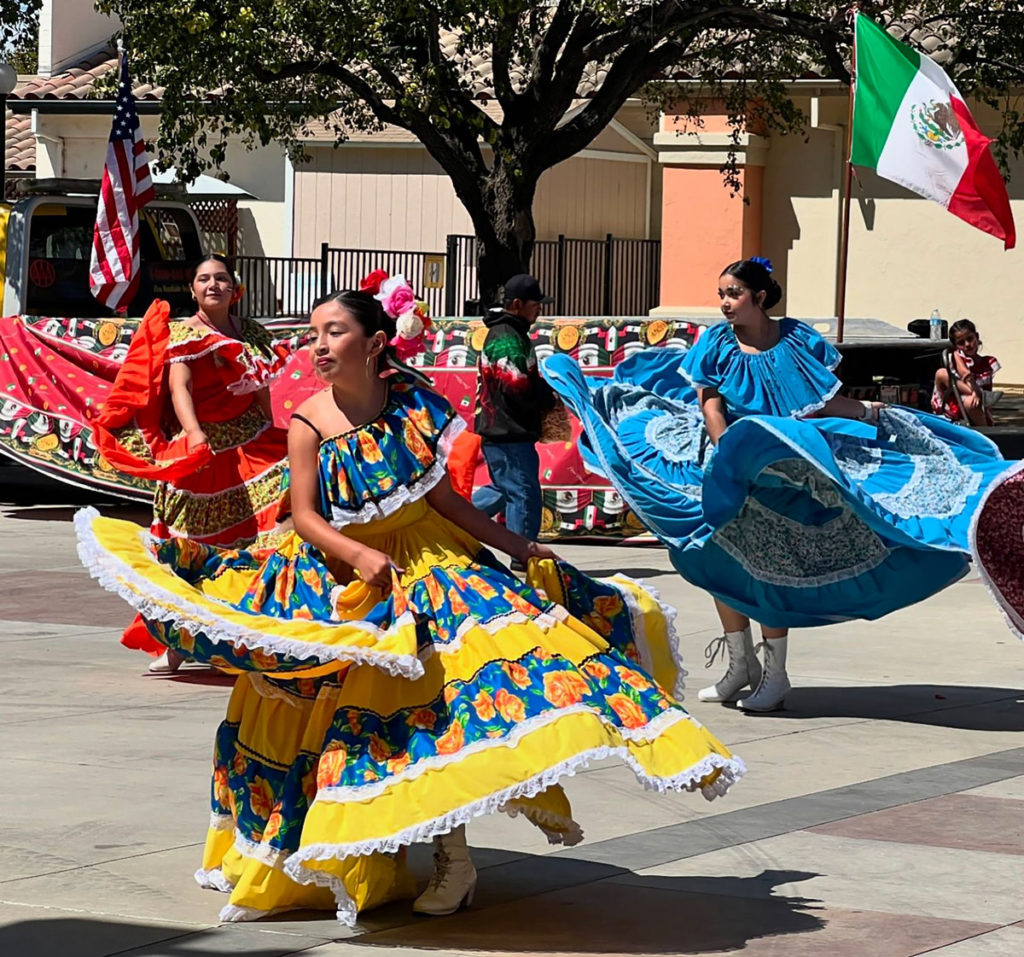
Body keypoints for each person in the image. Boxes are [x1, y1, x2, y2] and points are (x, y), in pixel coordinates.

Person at [75, 275, 744, 925]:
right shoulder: (309, 421)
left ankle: (453, 856)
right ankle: (345, 846)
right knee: (332, 718)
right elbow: (304, 514)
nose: (317, 346)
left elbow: (446, 500)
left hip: (426, 560)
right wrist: (361, 555)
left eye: (332, 332)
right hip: (340, 571)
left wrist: (517, 544)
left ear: (372, 341)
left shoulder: (413, 408)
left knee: (457, 698)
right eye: (313, 334)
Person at [542, 258, 1008, 713]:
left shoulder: (796, 340)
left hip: (786, 466)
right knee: (717, 557)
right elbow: (710, 404)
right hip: (730, 458)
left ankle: (775, 675)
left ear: (759, 297)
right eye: (721, 294)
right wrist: (728, 449)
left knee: (768, 564)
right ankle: (739, 666)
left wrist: (873, 415)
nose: (725, 303)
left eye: (734, 294)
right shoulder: (716, 344)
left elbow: (824, 403)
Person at [91, 255, 291, 673]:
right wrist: (194, 433)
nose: (212, 285)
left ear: (236, 288)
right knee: (192, 548)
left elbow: (260, 388)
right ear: (193, 290)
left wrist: (271, 433)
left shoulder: (251, 332)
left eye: (221, 278)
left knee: (266, 535)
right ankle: (179, 642)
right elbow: (179, 388)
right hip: (204, 446)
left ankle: (245, 633)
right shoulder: (185, 332)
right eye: (204, 279)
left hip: (251, 440)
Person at [472, 274, 558, 566]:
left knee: (503, 489)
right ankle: (523, 556)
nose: (540, 311)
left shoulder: (511, 332)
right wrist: (547, 399)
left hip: (502, 429)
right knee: (523, 493)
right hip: (508, 430)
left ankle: (451, 520)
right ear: (518, 304)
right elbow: (516, 384)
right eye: (536, 305)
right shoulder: (507, 336)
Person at [932, 318, 1001, 426]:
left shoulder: (987, 363)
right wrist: (974, 391)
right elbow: (964, 373)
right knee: (941, 373)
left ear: (977, 337)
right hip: (956, 407)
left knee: (971, 402)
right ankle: (979, 393)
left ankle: (986, 432)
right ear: (955, 346)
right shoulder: (957, 357)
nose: (967, 344)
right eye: (961, 343)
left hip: (978, 407)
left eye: (970, 339)